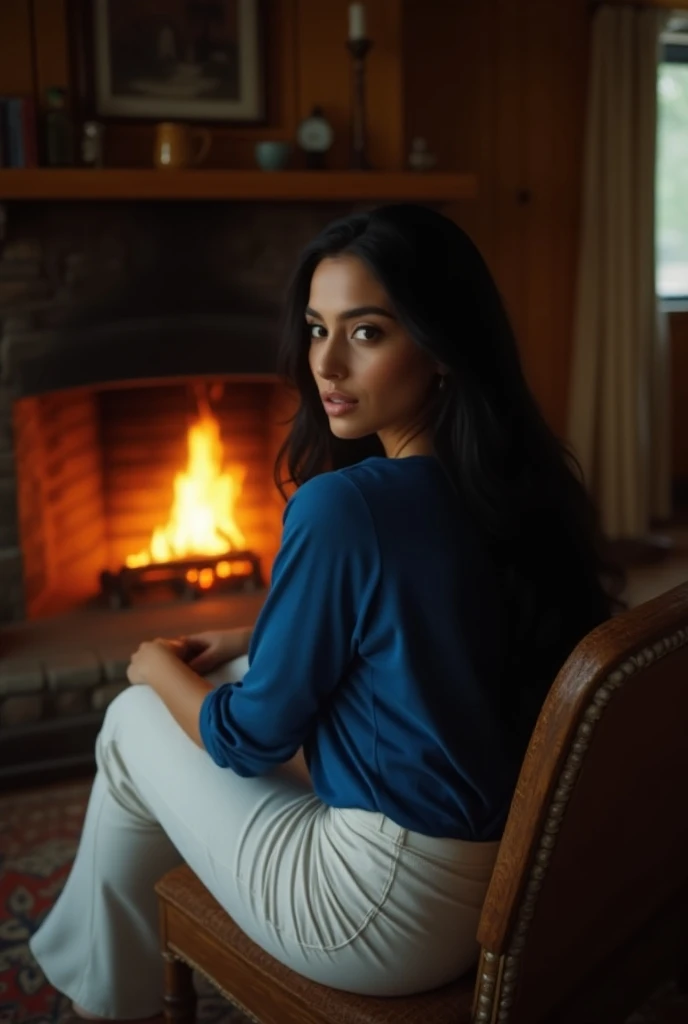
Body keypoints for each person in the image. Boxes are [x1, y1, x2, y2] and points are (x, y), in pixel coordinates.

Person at [30, 204, 617, 1023]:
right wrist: (246, 638)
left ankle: (103, 1002)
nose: (326, 365)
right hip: (494, 884)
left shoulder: (346, 506)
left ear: (441, 348)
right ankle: (110, 979)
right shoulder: (512, 484)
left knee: (133, 719)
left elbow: (247, 739)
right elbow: (421, 635)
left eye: (367, 332)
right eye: (315, 329)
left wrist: (155, 665)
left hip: (376, 914)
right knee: (230, 673)